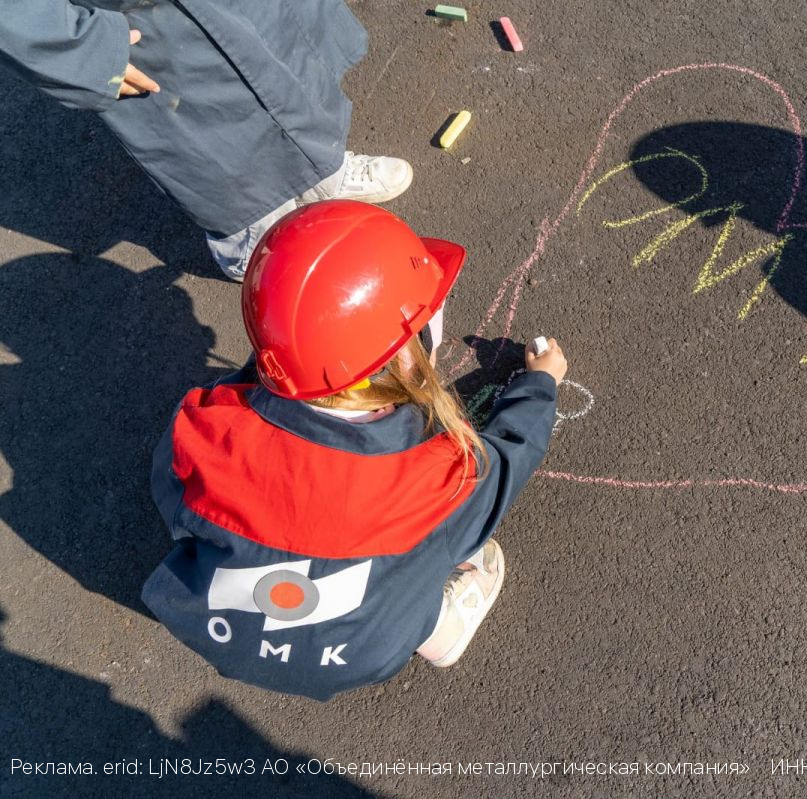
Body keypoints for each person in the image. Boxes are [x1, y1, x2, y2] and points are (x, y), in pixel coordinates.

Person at [141, 201, 567, 700]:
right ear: (409, 355)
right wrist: (540, 386)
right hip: (361, 651)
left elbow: (169, 498)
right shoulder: (441, 475)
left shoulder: (203, 428)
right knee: (458, 534)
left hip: (211, 625)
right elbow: (512, 456)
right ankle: (442, 630)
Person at [0, 1, 411, 280]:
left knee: (282, 62)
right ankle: (251, 238)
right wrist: (73, 48)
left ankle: (323, 170)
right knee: (204, 129)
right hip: (137, 18)